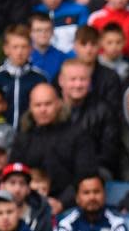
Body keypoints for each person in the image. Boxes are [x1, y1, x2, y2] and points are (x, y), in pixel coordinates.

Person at [11, 83, 97, 211]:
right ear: (30, 107)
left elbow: (84, 175)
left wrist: (62, 203)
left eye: (48, 104)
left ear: (58, 104)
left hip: (71, 205)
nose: (43, 109)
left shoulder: (77, 134)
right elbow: (15, 173)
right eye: (38, 105)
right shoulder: (23, 137)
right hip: (29, 204)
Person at [0, 24, 48, 128]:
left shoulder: (40, 78)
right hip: (0, 135)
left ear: (31, 49)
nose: (19, 52)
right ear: (6, 49)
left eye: (24, 47)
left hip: (30, 135)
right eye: (15, 47)